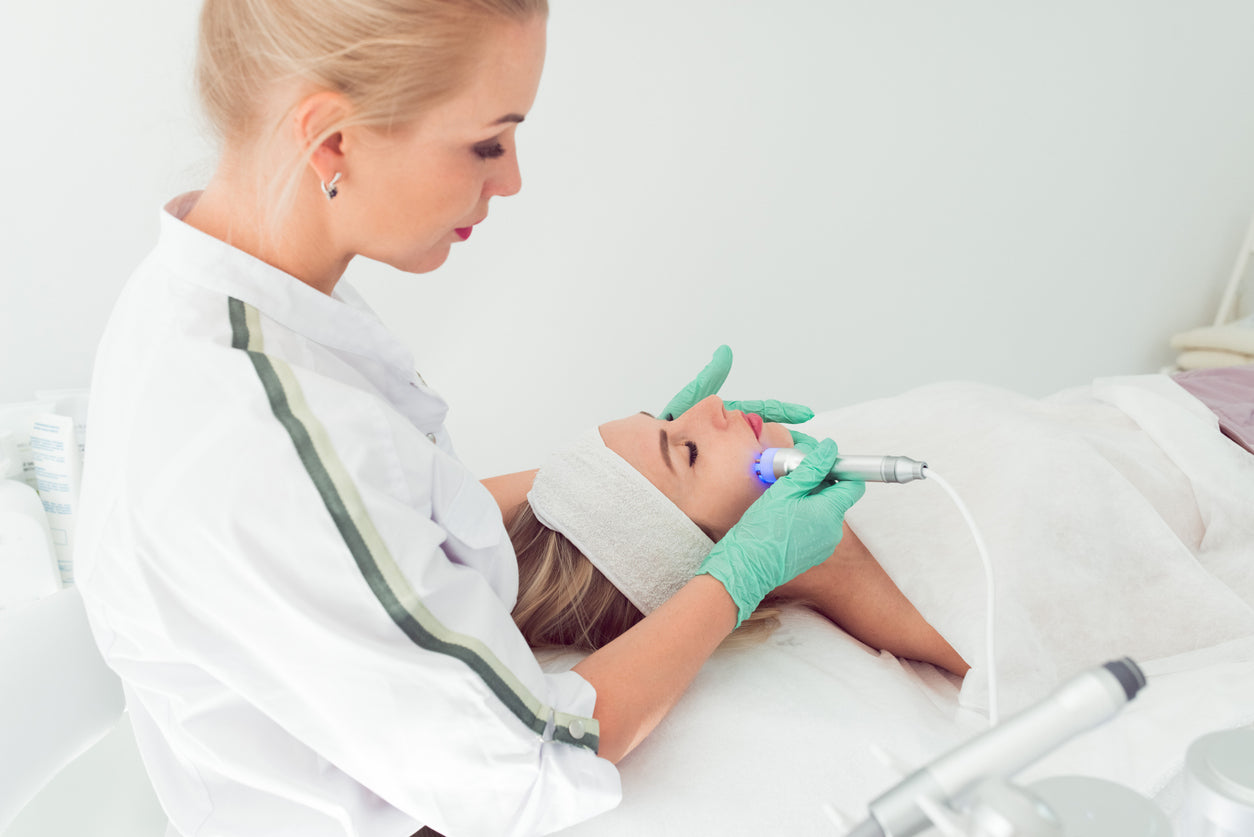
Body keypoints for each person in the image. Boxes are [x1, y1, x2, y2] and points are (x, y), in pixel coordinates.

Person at [72, 2, 866, 836]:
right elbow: (532, 768)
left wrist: (620, 468)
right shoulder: (255, 430)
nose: (512, 178)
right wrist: (734, 576)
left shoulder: (225, 294)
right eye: (488, 141)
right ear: (333, 139)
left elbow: (377, 522)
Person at [486, 395, 970, 677]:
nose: (711, 404)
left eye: (668, 418)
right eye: (691, 451)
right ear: (708, 548)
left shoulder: (818, 455)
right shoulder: (943, 616)